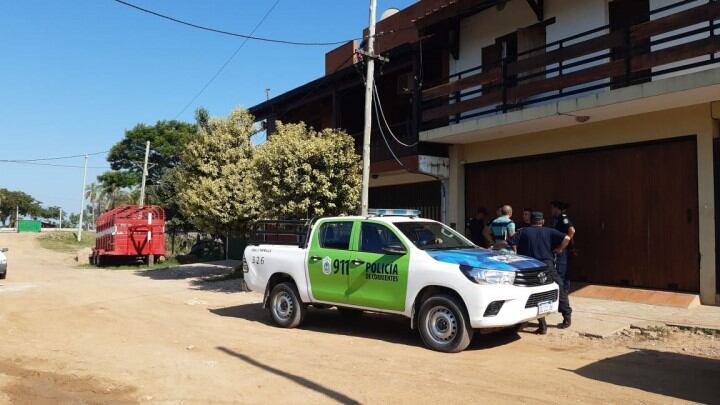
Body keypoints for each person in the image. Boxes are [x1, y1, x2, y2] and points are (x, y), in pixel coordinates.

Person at [494, 211, 572, 334]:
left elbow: (507, 242)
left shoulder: (523, 231)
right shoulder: (549, 231)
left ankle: (542, 324)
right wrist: (560, 249)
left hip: (529, 267)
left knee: (535, 293)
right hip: (547, 265)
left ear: (530, 221)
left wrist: (493, 247)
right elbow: (567, 238)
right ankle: (567, 317)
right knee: (559, 287)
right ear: (542, 221)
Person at [551, 200, 576, 292]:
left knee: (562, 271)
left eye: (553, 208)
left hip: (563, 249)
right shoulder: (557, 218)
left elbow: (572, 230)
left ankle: (563, 291)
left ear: (557, 209)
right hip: (560, 248)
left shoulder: (563, 217)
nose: (551, 210)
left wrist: (563, 245)